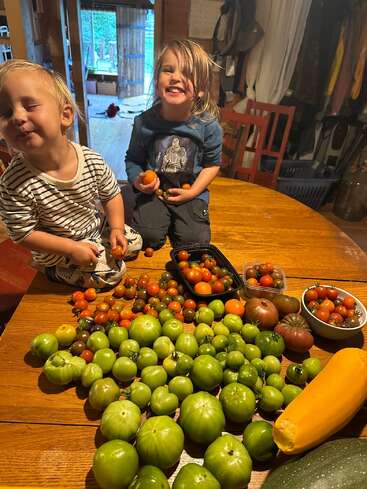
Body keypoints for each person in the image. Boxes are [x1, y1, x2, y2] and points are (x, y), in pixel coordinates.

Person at [0, 59, 142, 289]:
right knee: (110, 275)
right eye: (5, 113)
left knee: (134, 241)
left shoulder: (90, 158)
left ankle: (100, 245)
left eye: (29, 105)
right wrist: (70, 249)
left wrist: (116, 228)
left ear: (65, 115)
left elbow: (111, 194)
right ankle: (52, 270)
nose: (17, 117)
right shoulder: (13, 183)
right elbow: (23, 233)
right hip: (58, 250)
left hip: (93, 228)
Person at [125, 39, 222, 250]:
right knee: (147, 237)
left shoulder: (209, 126)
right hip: (154, 194)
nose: (176, 78)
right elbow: (133, 160)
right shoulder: (143, 123)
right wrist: (137, 181)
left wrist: (194, 191)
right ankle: (162, 220)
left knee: (195, 243)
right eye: (168, 70)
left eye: (187, 73)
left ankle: (177, 222)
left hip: (190, 194)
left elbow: (212, 164)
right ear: (157, 81)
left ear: (201, 89)